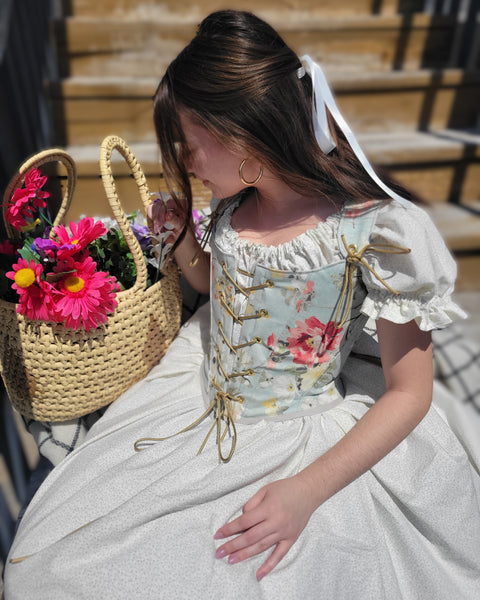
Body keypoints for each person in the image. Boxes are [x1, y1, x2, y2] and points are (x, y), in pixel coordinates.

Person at [5, 10, 480, 599]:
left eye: (187, 143)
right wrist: (181, 243)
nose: (183, 161)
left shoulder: (375, 232)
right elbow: (214, 287)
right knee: (63, 566)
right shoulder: (234, 208)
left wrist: (306, 491)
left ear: (239, 135)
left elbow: (411, 393)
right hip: (200, 400)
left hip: (304, 436)